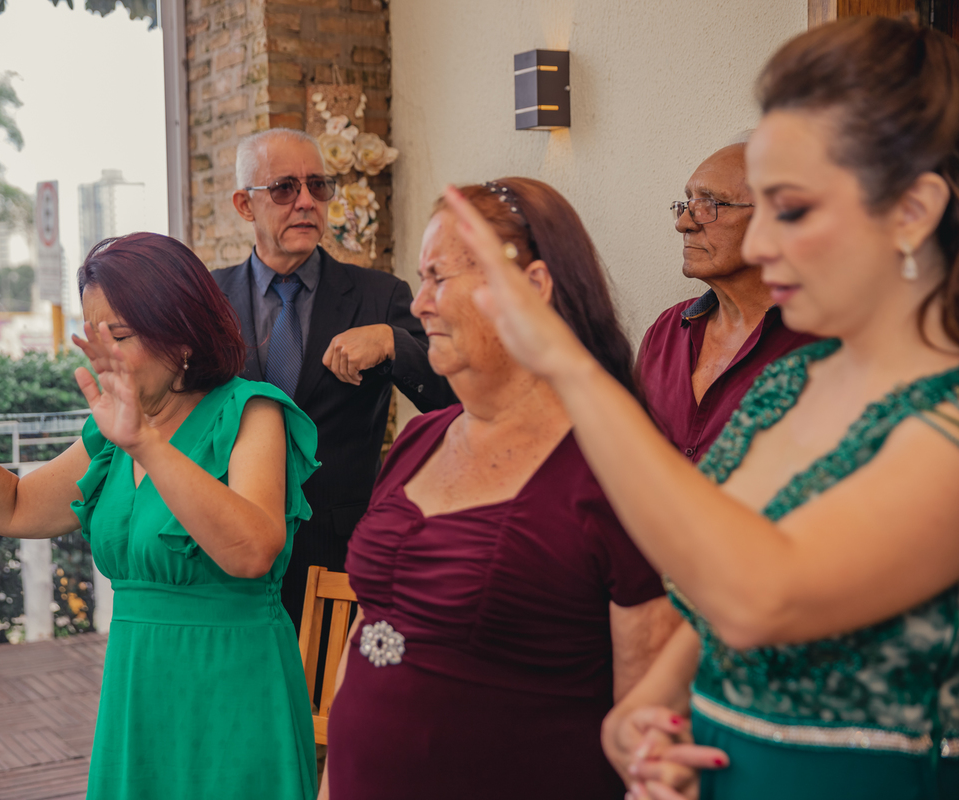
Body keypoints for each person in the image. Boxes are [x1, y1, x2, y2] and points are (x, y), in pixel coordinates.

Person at [447, 17, 959, 800]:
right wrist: (649, 712)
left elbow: (757, 595)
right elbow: (700, 584)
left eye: (791, 210)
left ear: (913, 211)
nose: (759, 247)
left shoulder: (947, 419)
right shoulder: (796, 384)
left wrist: (567, 366)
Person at [0, 233, 320, 799]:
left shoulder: (251, 412)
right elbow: (11, 507)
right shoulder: (113, 436)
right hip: (138, 688)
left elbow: (255, 550)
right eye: (97, 335)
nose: (104, 354)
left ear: (181, 331)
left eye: (122, 334)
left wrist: (147, 445)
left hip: (233, 686)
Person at [322, 179, 682, 799]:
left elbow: (649, 703)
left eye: (439, 278)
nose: (420, 304)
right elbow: (370, 630)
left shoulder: (610, 466)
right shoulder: (419, 440)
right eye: (420, 279)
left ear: (532, 288)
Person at [215, 128, 455, 628]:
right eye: (284, 188)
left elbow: (453, 396)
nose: (306, 202)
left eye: (318, 186)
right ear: (244, 204)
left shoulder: (380, 296)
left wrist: (395, 342)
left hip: (338, 563)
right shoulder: (207, 301)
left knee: (327, 708)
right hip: (227, 558)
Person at [639, 142, 816, 460]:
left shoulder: (824, 344)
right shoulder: (666, 331)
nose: (683, 223)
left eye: (710, 205)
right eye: (687, 204)